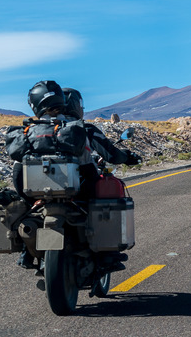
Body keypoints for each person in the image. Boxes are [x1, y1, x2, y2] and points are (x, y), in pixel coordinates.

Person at [12, 80, 141, 268]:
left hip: (36, 192)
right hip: (78, 191)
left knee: (23, 211)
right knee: (104, 203)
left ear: (34, 104)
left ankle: (27, 251)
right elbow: (111, 155)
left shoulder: (28, 132)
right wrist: (128, 157)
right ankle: (107, 252)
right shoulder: (80, 128)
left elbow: (17, 171)